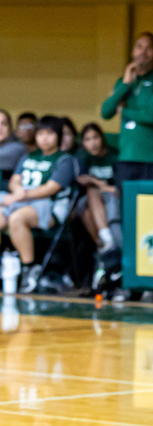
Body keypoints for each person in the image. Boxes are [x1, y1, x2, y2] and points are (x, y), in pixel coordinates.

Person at [0, 115, 77, 293]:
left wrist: (22, 195)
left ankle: (29, 269)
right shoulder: (28, 157)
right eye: (40, 133)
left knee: (17, 218)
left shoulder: (65, 160)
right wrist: (18, 191)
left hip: (49, 207)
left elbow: (51, 188)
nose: (44, 138)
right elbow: (14, 181)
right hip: (22, 201)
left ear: (58, 136)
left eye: (49, 133)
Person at [100, 32, 153, 183]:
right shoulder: (124, 82)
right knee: (125, 205)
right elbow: (106, 112)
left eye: (149, 48)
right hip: (126, 157)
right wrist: (126, 84)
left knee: (151, 206)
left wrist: (124, 110)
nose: (143, 52)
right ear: (133, 51)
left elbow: (152, 116)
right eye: (139, 47)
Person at [76, 122, 119, 254]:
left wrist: (105, 188)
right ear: (83, 143)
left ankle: (103, 244)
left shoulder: (113, 155)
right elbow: (81, 178)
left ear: (102, 138)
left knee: (92, 210)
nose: (93, 143)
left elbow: (117, 188)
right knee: (92, 192)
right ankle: (104, 239)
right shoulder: (83, 155)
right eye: (88, 139)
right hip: (91, 198)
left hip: (112, 197)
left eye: (96, 137)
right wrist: (98, 183)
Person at [0, 109, 27, 181]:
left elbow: (3, 157)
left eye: (4, 124)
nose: (0, 128)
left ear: (10, 127)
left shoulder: (17, 147)